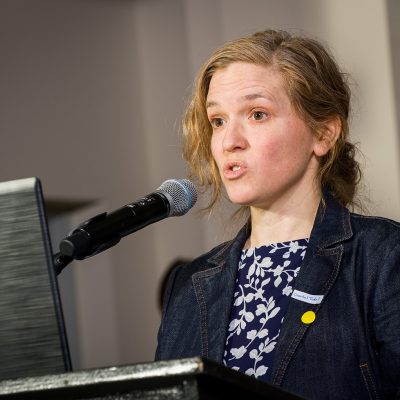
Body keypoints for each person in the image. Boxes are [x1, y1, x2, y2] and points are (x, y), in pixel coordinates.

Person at [155, 29, 400, 399]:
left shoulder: (382, 257)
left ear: (324, 133)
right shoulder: (189, 283)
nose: (228, 140)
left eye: (257, 114)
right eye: (217, 120)